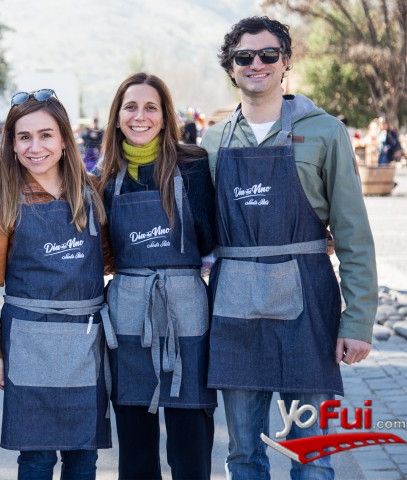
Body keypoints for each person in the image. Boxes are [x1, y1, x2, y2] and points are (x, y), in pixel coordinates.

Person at [200, 16, 378, 479]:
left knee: (314, 454)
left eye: (267, 55)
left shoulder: (325, 132)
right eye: (244, 57)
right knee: (242, 454)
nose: (256, 64)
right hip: (235, 306)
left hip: (309, 308)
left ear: (286, 62)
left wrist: (357, 320)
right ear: (231, 67)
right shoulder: (215, 139)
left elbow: (354, 234)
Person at [0, 89, 111, 479]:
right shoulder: (1, 200)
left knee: (84, 455)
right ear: (11, 144)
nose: (36, 147)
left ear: (65, 139)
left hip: (86, 341)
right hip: (28, 341)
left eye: (46, 135)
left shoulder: (92, 193)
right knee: (36, 458)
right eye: (24, 136)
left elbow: (110, 258)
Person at [98, 73, 217, 480]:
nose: (140, 115)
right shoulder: (104, 178)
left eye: (151, 107)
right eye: (130, 107)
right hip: (129, 314)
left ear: (166, 117)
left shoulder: (194, 166)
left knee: (190, 444)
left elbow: (214, 236)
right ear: (116, 117)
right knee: (135, 448)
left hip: (185, 310)